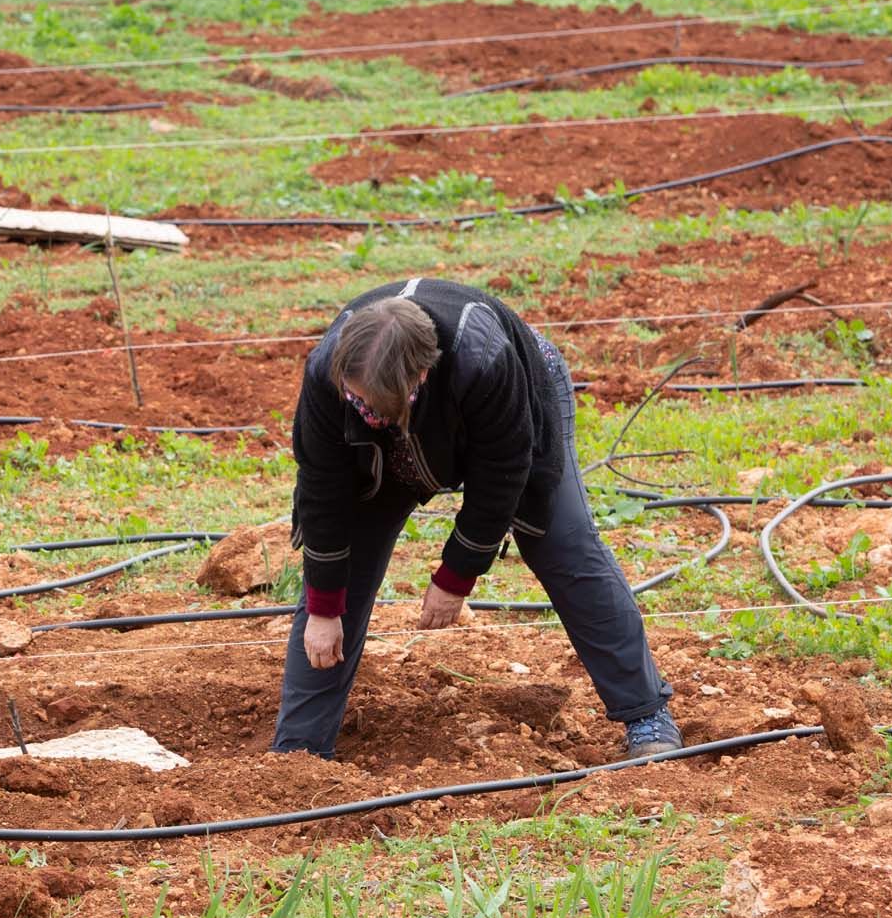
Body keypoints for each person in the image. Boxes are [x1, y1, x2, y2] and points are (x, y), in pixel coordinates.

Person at [273, 277, 682, 761]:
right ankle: (300, 751)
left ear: (421, 376)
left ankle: (645, 713)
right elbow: (322, 491)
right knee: (342, 573)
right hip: (391, 443)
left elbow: (503, 474)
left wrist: (456, 574)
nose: (362, 413)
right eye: (353, 400)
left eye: (373, 406)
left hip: (516, 403)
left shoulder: (482, 357)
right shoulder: (328, 373)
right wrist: (323, 607)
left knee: (561, 543)